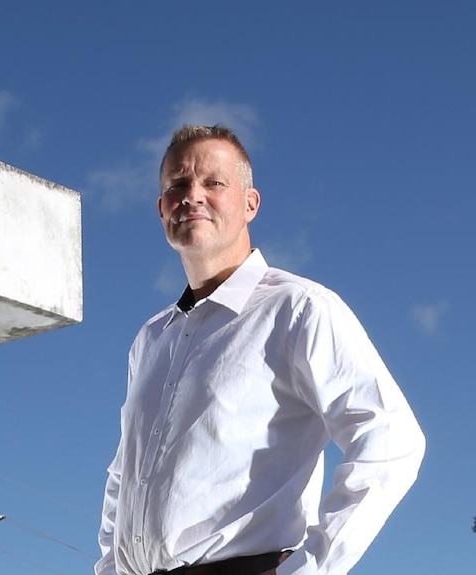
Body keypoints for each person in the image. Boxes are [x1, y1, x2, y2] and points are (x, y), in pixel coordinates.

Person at [95, 125, 425, 575]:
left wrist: (310, 569)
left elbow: (391, 439)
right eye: (177, 184)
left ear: (250, 203)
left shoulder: (298, 308)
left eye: (214, 182)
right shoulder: (151, 339)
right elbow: (123, 476)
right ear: (161, 208)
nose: (192, 195)